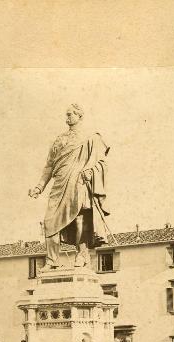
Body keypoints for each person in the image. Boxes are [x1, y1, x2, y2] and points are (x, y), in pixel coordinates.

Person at [28, 104, 110, 270]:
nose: (67, 118)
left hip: (79, 182)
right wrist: (39, 187)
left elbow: (102, 162)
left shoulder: (91, 137)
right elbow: (49, 166)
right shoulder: (59, 139)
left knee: (79, 221)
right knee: (49, 222)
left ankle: (81, 255)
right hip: (59, 184)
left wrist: (91, 171)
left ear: (80, 116)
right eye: (66, 115)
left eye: (70, 114)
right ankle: (52, 261)